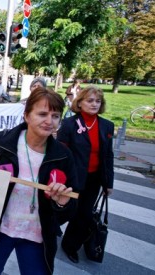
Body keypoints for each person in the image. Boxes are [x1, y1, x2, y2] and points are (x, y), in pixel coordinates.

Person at [0, 87, 78, 275]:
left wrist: (61, 204)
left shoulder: (63, 156)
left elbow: (69, 210)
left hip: (37, 234)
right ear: (26, 116)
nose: (49, 121)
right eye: (42, 114)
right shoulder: (0, 143)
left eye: (55, 116)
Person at [58, 85, 114, 264]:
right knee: (65, 211)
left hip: (94, 180)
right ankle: (47, 232)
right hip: (72, 178)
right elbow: (60, 153)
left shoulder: (106, 125)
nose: (94, 104)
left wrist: (108, 183)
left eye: (98, 101)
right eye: (90, 100)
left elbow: (108, 156)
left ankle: (70, 246)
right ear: (80, 103)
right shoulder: (69, 124)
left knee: (84, 215)